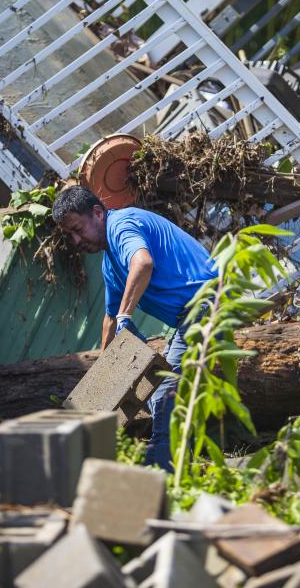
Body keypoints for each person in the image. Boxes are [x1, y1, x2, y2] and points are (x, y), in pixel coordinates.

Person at [52, 185, 216, 470]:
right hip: (189, 316)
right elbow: (110, 319)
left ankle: (162, 472)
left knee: (166, 389)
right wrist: (103, 378)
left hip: (207, 304)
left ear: (97, 213)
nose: (77, 240)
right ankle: (179, 462)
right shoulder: (110, 264)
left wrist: (127, 315)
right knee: (158, 393)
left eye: (78, 229)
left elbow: (143, 263)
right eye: (71, 235)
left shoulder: (123, 224)